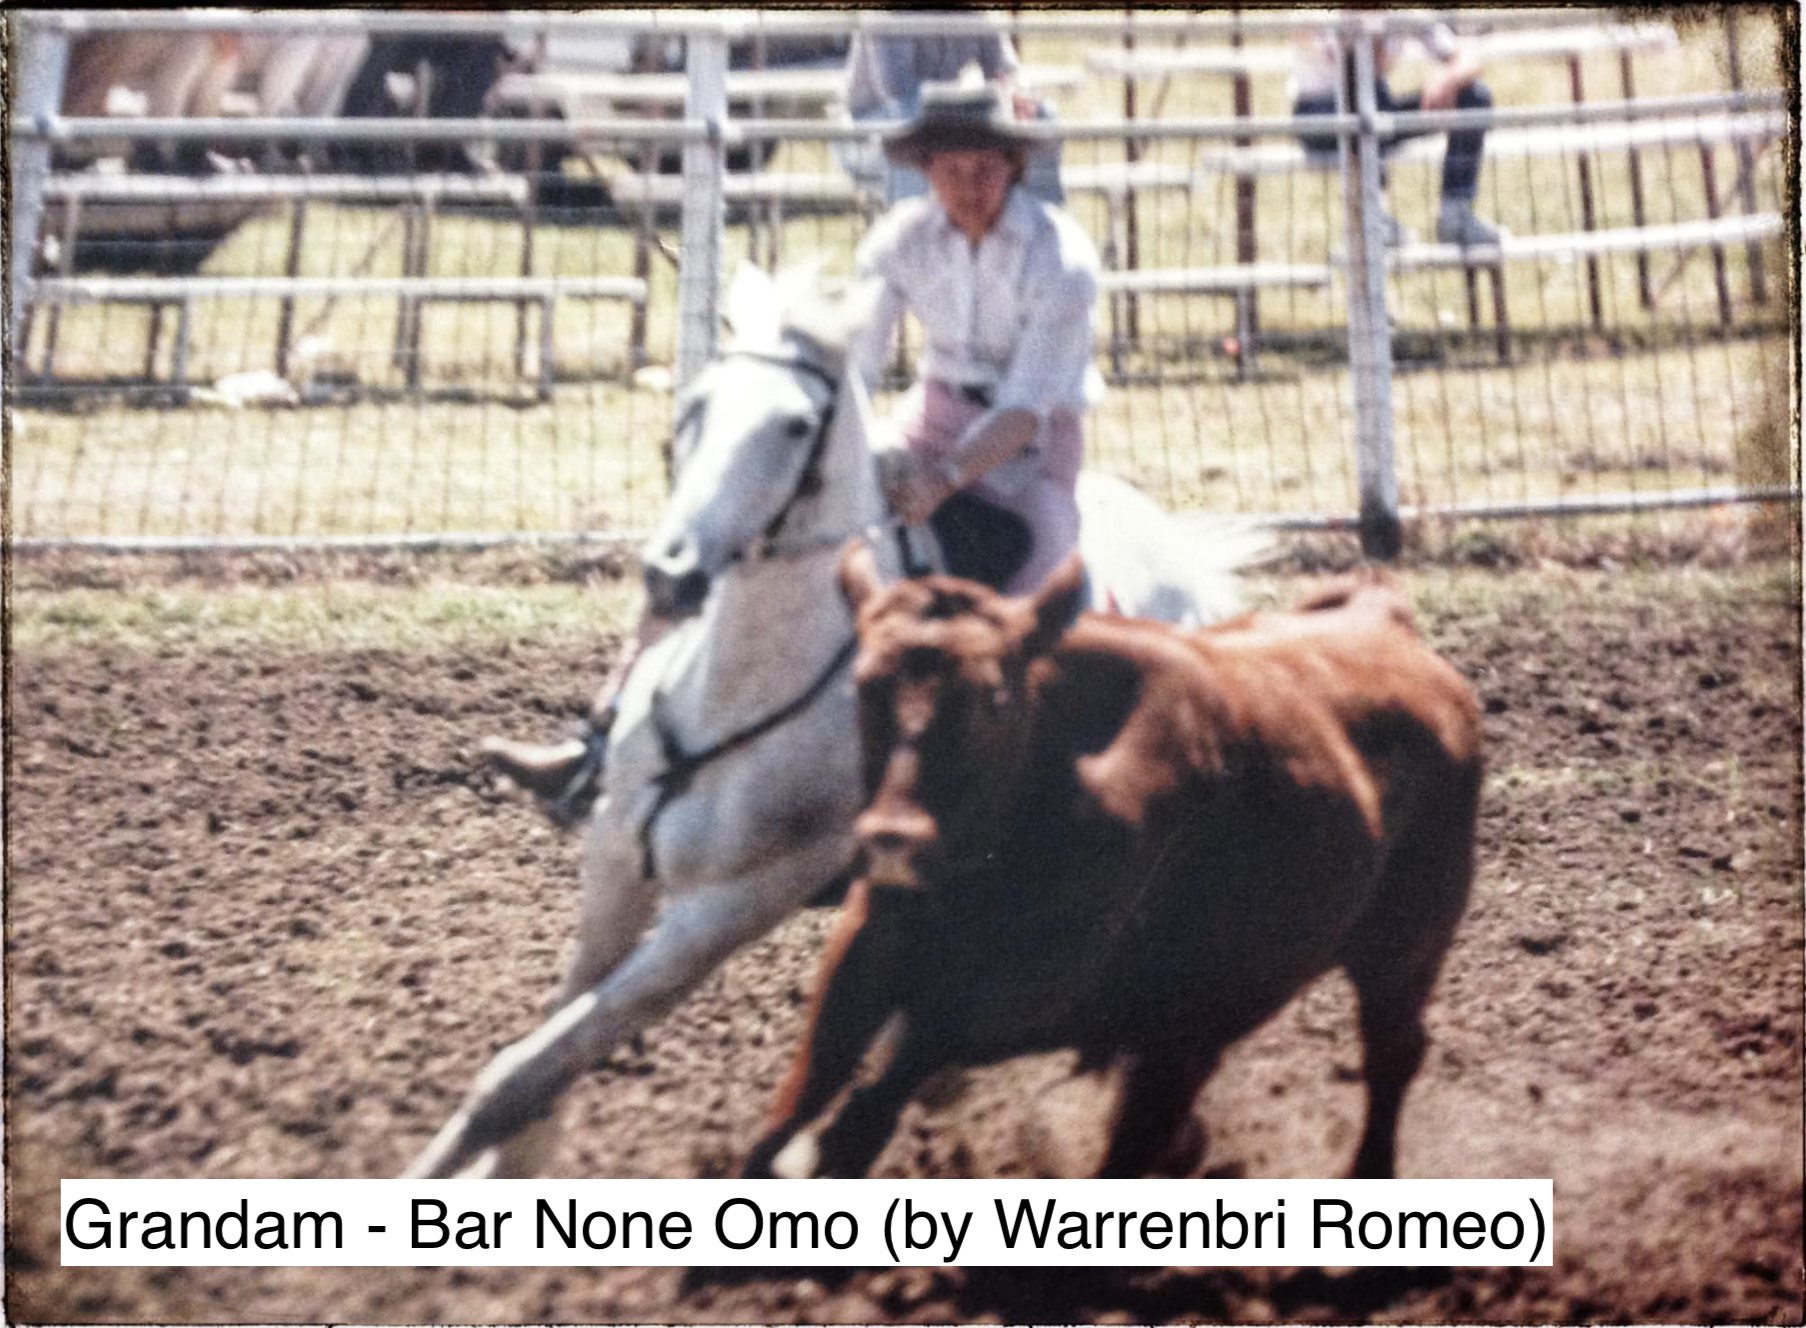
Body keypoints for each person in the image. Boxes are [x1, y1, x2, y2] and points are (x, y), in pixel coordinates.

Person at [485, 79, 1103, 822]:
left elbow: (1025, 409)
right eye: (951, 169)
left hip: (1032, 452)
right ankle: (598, 738)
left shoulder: (1061, 258)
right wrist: (864, 451)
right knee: (753, 527)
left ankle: (1022, 789)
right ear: (927, 168)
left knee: (1044, 593)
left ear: (1014, 166)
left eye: (985, 169)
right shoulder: (901, 239)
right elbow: (857, 369)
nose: (969, 186)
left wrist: (944, 478)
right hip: (930, 418)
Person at [1290, 18, 1500, 247]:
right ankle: (1372, 217)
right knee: (1368, 99)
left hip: (1374, 110)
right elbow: (1353, 65)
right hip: (1319, 115)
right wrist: (1374, 26)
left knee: (1473, 96)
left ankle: (1456, 215)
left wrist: (1448, 80)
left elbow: (1468, 58)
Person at [837, 18, 1065, 206]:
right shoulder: (887, 15)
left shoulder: (975, 13)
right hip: (868, 133)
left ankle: (1042, 226)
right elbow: (898, 94)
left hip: (947, 123)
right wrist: (965, 104)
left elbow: (1006, 73)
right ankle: (917, 235)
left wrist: (1017, 95)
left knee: (1041, 117)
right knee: (913, 132)